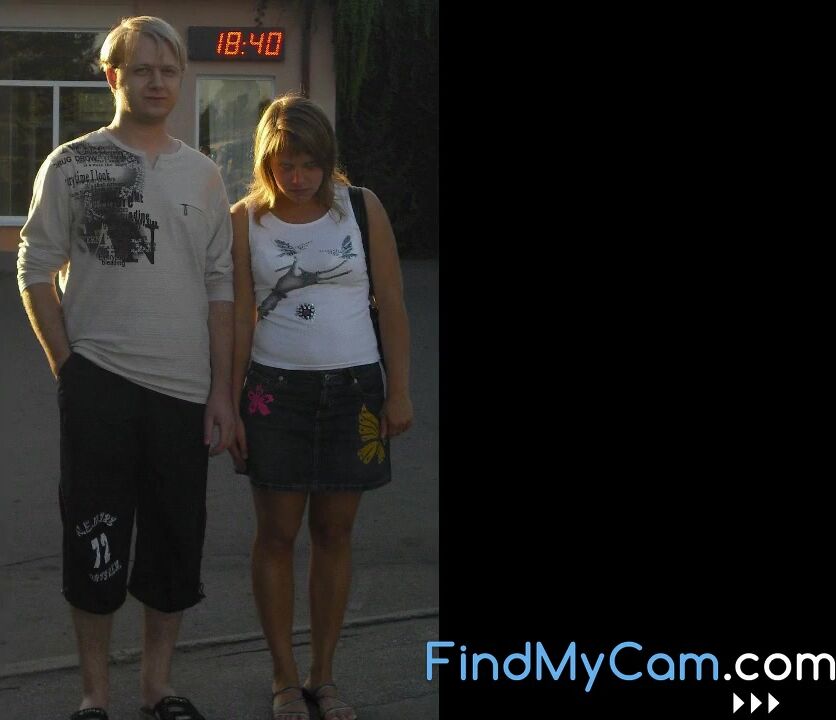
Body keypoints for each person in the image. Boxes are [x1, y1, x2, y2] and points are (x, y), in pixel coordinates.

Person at [16, 16, 235, 720]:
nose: (156, 83)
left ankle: (156, 688)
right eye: (142, 70)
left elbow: (221, 287)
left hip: (184, 392)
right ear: (114, 77)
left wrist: (223, 392)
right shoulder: (72, 164)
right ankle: (94, 696)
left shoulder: (203, 175)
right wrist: (68, 367)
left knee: (174, 546)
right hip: (100, 386)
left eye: (168, 71)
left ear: (181, 79)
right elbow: (34, 268)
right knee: (95, 541)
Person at [228, 93, 413, 720]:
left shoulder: (361, 208)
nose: (299, 176)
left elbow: (391, 301)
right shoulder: (244, 220)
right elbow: (238, 319)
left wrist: (399, 390)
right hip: (273, 393)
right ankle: (284, 678)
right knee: (277, 535)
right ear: (266, 161)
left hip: (354, 392)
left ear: (327, 160)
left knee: (335, 533)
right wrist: (228, 403)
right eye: (286, 164)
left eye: (310, 163)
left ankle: (323, 677)